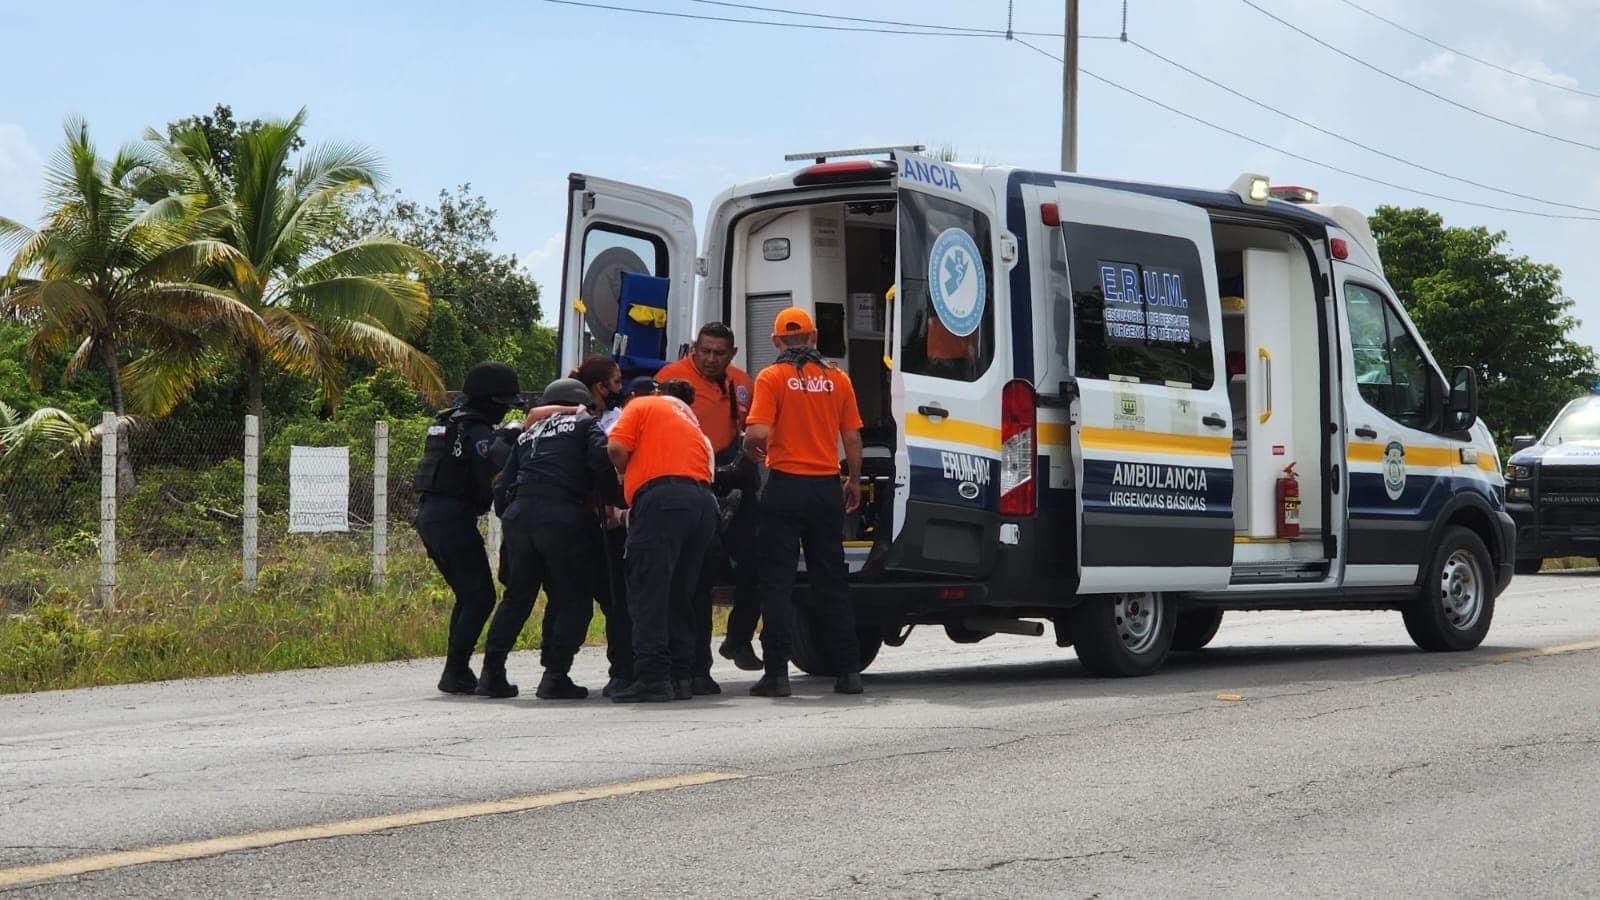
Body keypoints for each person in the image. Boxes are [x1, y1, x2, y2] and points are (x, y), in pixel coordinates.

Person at [744, 307, 865, 697]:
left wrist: (751, 448)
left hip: (786, 487)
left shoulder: (772, 376)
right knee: (831, 580)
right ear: (813, 338)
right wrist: (854, 481)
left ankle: (776, 675)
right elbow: (852, 439)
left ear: (777, 341)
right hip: (825, 487)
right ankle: (849, 672)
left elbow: (758, 431)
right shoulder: (838, 379)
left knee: (777, 581)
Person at [478, 377, 623, 700]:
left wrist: (514, 516)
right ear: (583, 401)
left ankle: (491, 673)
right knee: (573, 598)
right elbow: (601, 465)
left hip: (519, 516)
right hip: (562, 516)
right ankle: (555, 676)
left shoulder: (529, 433)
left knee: (517, 598)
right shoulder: (586, 426)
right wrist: (617, 501)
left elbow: (502, 486)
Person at [654, 323, 764, 679]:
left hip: (732, 485)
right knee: (697, 580)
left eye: (719, 353)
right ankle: (697, 668)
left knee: (757, 564)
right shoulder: (671, 379)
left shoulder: (742, 382)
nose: (712, 359)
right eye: (705, 351)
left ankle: (739, 638)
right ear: (694, 350)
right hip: (692, 484)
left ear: (731, 354)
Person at [413, 361, 525, 694]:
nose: (504, 412)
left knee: (470, 595)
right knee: (480, 596)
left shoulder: (447, 423)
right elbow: (495, 469)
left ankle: (456, 671)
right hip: (451, 519)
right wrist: (508, 442)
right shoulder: (475, 432)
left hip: (433, 516)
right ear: (491, 401)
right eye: (503, 405)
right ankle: (455, 670)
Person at [605, 381, 718, 703]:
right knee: (681, 593)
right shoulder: (691, 423)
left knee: (648, 591)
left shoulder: (642, 405)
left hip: (662, 501)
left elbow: (615, 449)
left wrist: (624, 474)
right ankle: (682, 675)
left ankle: (653, 678)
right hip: (703, 503)